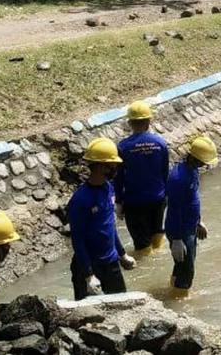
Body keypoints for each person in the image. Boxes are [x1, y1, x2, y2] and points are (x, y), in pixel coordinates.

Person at [69, 138, 128, 301]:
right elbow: (77, 239)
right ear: (102, 166)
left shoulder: (108, 188)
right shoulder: (80, 199)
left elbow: (110, 226)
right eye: (113, 165)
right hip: (89, 267)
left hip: (111, 263)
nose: (116, 168)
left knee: (123, 307)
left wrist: (122, 254)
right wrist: (89, 275)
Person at [115, 101, 169, 260]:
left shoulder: (123, 147)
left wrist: (118, 201)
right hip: (158, 200)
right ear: (149, 121)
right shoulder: (160, 143)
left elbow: (118, 177)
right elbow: (165, 172)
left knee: (142, 247)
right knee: (158, 240)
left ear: (130, 123)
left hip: (135, 203)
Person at [165, 136, 217, 299]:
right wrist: (177, 240)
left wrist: (199, 221)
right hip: (180, 231)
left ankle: (173, 290)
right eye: (203, 161)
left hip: (190, 227)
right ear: (194, 158)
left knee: (182, 266)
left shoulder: (192, 170)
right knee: (187, 271)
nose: (205, 164)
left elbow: (193, 200)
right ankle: (179, 300)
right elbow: (175, 209)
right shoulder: (178, 179)